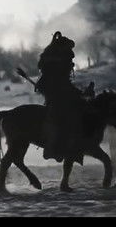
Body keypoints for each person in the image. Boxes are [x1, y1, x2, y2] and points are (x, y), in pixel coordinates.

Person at [35, 31, 86, 163]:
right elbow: (61, 84)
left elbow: (64, 83)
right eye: (70, 60)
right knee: (63, 115)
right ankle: (54, 147)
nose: (72, 62)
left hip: (56, 88)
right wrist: (78, 93)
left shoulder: (55, 59)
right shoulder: (55, 63)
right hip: (53, 90)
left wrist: (79, 92)